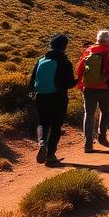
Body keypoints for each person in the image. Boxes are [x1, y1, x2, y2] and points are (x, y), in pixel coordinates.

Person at [28, 33, 77, 167]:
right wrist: (80, 79)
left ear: (51, 45)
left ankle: (42, 143)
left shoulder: (41, 60)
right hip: (58, 97)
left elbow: (32, 80)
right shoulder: (65, 62)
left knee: (43, 123)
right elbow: (69, 84)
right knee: (56, 126)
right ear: (64, 47)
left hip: (41, 96)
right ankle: (50, 156)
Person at [75, 29, 109, 152]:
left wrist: (81, 83)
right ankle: (102, 136)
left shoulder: (88, 50)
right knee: (105, 112)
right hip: (105, 88)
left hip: (88, 87)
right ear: (108, 40)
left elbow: (79, 69)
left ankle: (88, 144)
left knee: (88, 114)